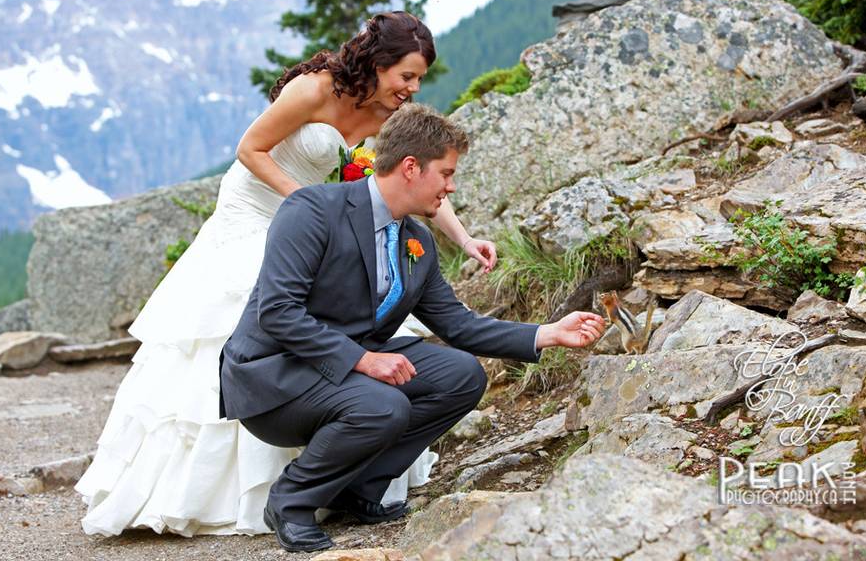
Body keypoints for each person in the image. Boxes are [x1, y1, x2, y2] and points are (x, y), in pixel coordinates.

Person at [76, 12, 499, 537]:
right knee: (255, 319)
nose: (412, 89)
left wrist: (463, 238)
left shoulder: (387, 116)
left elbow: (409, 178)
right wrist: (311, 205)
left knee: (347, 323)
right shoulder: (311, 90)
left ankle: (350, 472)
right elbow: (249, 150)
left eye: (418, 80)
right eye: (407, 76)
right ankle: (231, 492)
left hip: (314, 219)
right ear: (378, 62)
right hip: (258, 209)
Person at [220, 103, 606, 553]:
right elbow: (279, 312)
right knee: (383, 405)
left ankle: (360, 488)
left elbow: (457, 324)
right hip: (275, 377)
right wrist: (365, 360)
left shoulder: (417, 241)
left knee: (462, 375)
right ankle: (291, 501)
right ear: (410, 167)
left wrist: (547, 333)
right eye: (445, 173)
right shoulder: (313, 210)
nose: (451, 186)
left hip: (343, 371)